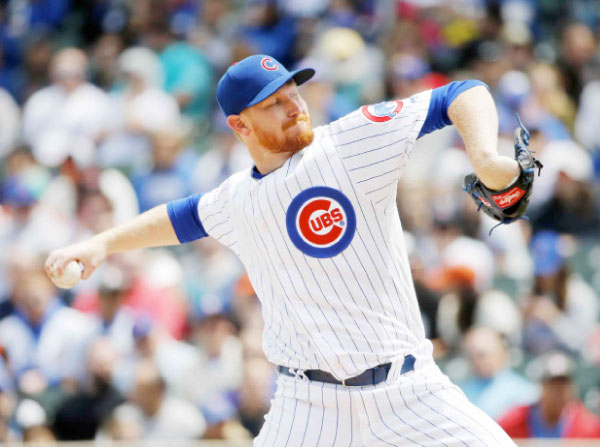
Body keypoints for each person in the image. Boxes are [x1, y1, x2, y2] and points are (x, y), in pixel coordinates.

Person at [46, 54, 525, 446]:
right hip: (309, 407)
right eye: (274, 103)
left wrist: (484, 155)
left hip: (408, 391)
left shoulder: (348, 145)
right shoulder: (236, 201)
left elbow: (460, 93)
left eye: (294, 92)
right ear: (240, 125)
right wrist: (100, 243)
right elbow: (181, 217)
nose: (294, 105)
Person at [498, 351, 600, 439]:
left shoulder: (590, 427)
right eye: (553, 384)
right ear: (542, 385)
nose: (559, 391)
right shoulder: (513, 421)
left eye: (563, 384)